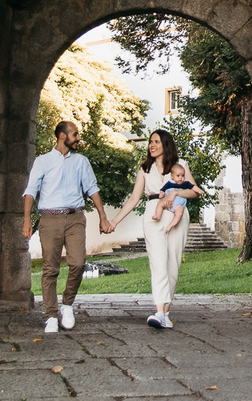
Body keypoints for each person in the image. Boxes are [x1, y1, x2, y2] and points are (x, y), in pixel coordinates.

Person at [105, 128, 200, 329]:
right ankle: (158, 312)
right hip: (153, 214)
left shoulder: (180, 165)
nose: (152, 145)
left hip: (176, 214)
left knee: (173, 265)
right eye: (150, 142)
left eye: (156, 141)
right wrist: (115, 221)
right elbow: (134, 198)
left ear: (166, 144)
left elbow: (194, 191)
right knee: (158, 263)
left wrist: (175, 193)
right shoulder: (145, 169)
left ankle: (165, 314)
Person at [22, 120, 110, 333]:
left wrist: (103, 217)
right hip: (49, 219)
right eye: (75, 134)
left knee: (78, 263)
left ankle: (68, 305)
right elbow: (31, 191)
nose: (78, 138)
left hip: (75, 218)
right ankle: (51, 315)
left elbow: (92, 188)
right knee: (50, 269)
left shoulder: (81, 161)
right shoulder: (42, 161)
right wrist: (26, 220)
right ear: (63, 135)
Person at [154, 162, 195, 233]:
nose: (180, 178)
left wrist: (198, 190)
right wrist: (161, 193)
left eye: (182, 176)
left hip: (178, 203)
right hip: (167, 201)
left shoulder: (185, 183)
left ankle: (171, 225)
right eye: (178, 176)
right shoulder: (170, 183)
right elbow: (163, 189)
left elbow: (193, 189)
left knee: (179, 213)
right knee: (160, 204)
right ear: (172, 176)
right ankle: (158, 215)